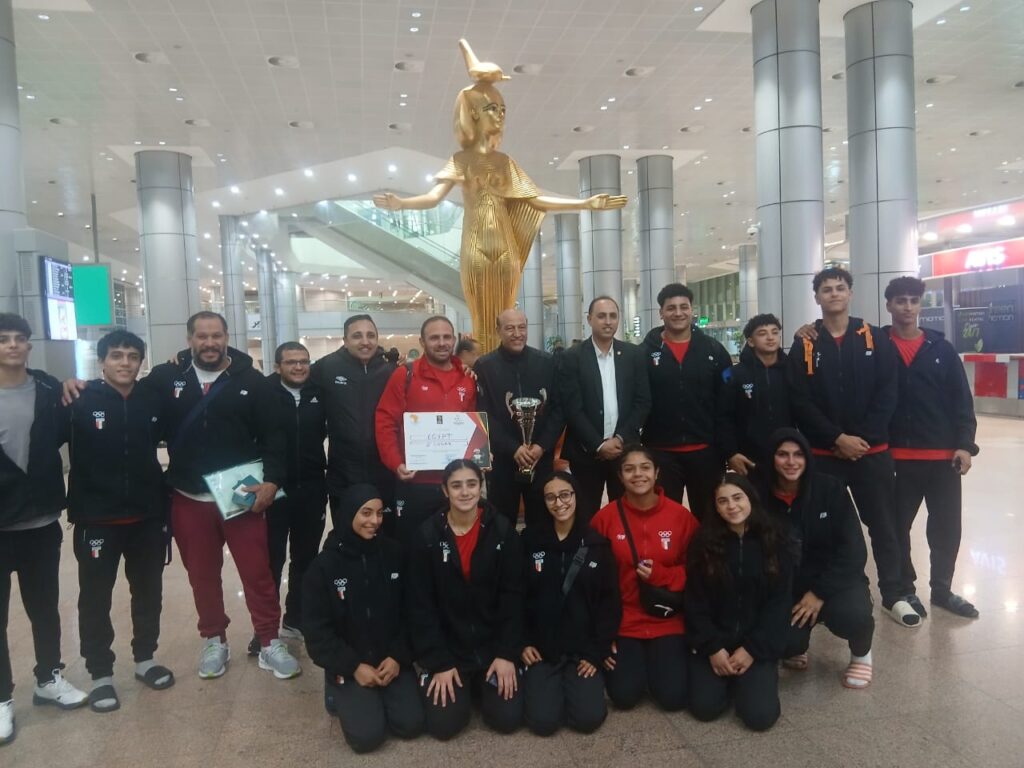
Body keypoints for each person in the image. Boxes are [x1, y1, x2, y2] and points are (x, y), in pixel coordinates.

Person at [67, 312, 301, 679]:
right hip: (188, 496)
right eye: (202, 336)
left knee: (257, 571)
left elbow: (275, 436)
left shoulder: (251, 381)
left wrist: (272, 481)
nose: (210, 343)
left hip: (239, 493)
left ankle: (269, 640)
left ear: (227, 337)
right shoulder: (165, 378)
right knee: (202, 576)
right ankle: (214, 639)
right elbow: (123, 391)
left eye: (216, 335)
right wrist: (78, 385)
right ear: (189, 339)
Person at [373, 39, 625, 351]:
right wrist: (402, 204)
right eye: (492, 108)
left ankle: (504, 363)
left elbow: (535, 200)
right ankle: (484, 366)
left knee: (506, 312)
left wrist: (585, 204)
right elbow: (434, 197)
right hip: (475, 246)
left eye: (503, 109)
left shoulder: (505, 162)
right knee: (481, 317)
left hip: (506, 249)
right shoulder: (462, 160)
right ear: (473, 113)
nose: (500, 114)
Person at [787, 268, 915, 628]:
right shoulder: (806, 343)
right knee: (821, 527)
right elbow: (799, 400)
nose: (834, 293)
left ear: (850, 293)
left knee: (884, 525)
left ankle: (894, 594)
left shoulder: (874, 337)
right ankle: (819, 594)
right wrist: (836, 439)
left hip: (871, 454)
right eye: (826, 289)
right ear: (817, 297)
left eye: (840, 288)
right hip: (824, 456)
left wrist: (862, 439)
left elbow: (888, 391)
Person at [66, 330, 173, 713]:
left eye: (132, 356)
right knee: (95, 597)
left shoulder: (152, 398)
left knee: (148, 592)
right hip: (96, 519)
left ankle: (145, 658)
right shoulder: (79, 400)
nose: (125, 362)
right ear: (102, 361)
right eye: (116, 355)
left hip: (147, 516)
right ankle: (100, 674)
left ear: (141, 362)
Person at [1, 313, 87, 744]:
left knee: (45, 608)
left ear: (29, 345)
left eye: (20, 338)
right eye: (3, 339)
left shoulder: (50, 389)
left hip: (40, 521)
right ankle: (1, 698)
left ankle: (48, 678)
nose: (13, 345)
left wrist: (75, 385)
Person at [407, 460, 525, 739]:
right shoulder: (426, 536)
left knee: (507, 720)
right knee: (444, 727)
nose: (465, 492)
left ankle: (481, 685)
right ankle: (459, 684)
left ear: (480, 486)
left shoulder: (502, 530)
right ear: (445, 491)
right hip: (450, 651)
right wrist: (439, 662)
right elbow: (420, 606)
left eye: (472, 484)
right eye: (456, 485)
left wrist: (506, 654)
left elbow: (514, 596)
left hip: (492, 648)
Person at [302, 484, 424, 753]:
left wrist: (398, 656)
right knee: (366, 738)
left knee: (411, 724)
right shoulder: (324, 567)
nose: (375, 521)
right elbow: (317, 632)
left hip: (390, 658)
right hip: (350, 662)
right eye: (366, 513)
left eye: (379, 513)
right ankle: (336, 687)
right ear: (348, 514)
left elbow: (413, 611)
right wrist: (353, 666)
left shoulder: (394, 554)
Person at [884, 276, 980, 618]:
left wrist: (965, 445)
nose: (907, 307)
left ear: (920, 305)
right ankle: (905, 589)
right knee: (896, 528)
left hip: (943, 459)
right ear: (889, 305)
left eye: (913, 300)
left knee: (946, 528)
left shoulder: (942, 349)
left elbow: (961, 401)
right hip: (895, 458)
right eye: (900, 300)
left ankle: (942, 590)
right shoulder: (877, 346)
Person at [761, 429, 876, 690]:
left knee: (853, 616)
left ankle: (861, 654)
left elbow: (854, 550)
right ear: (772, 458)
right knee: (785, 642)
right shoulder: (760, 494)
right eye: (783, 455)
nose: (791, 462)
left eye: (798, 454)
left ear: (807, 458)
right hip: (789, 584)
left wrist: (819, 593)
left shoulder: (830, 488)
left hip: (836, 580)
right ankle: (798, 644)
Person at [590, 446, 700, 712]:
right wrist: (602, 633)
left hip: (667, 618)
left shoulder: (681, 517)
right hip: (624, 620)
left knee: (673, 698)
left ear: (656, 473)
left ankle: (661, 662)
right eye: (629, 469)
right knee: (624, 697)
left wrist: (663, 575)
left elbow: (698, 571)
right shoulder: (605, 519)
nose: (638, 474)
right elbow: (592, 578)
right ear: (620, 477)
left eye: (645, 468)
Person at [684, 473, 790, 731]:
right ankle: (729, 680)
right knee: (704, 709)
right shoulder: (703, 543)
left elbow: (779, 603)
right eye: (723, 501)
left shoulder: (774, 539)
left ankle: (752, 679)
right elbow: (695, 601)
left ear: (750, 498)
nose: (731, 506)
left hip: (756, 643)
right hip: (715, 642)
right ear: (716, 508)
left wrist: (752, 649)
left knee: (760, 718)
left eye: (737, 498)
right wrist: (713, 647)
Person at [520, 472, 620, 736]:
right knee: (543, 723)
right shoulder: (529, 541)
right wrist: (523, 642)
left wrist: (596, 652)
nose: (559, 503)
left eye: (565, 495)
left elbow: (609, 603)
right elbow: (516, 595)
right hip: (542, 649)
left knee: (588, 720)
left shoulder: (597, 545)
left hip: (582, 651)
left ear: (576, 496)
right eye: (550, 497)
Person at [375, 316, 477, 546]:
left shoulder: (467, 379)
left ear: (454, 340)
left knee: (455, 546)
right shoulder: (405, 375)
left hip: (456, 484)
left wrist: (480, 454)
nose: (441, 343)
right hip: (416, 483)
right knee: (413, 548)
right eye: (434, 338)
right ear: (422, 342)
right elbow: (385, 421)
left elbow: (473, 426)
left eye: (447, 337)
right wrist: (396, 463)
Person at [640, 283, 732, 520]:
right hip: (660, 452)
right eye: (671, 308)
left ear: (692, 310)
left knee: (710, 518)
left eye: (684, 307)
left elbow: (727, 403)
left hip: (706, 453)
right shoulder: (644, 353)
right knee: (664, 520)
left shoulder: (714, 350)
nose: (678, 313)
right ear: (661, 313)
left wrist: (727, 447)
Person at [557, 296, 651, 520]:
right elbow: (572, 408)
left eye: (613, 316)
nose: (608, 322)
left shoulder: (634, 355)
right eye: (601, 316)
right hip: (585, 452)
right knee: (586, 515)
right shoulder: (572, 357)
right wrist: (598, 444)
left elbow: (643, 401)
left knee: (627, 513)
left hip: (624, 450)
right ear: (589, 319)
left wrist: (620, 438)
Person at [474, 309, 564, 529]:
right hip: (503, 461)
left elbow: (559, 409)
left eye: (522, 327)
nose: (517, 334)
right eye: (510, 328)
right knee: (501, 523)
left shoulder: (547, 362)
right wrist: (513, 448)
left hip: (539, 458)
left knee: (542, 521)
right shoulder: (485, 366)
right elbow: (483, 414)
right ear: (498, 331)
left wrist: (541, 446)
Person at [309, 315, 396, 530]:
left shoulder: (390, 371)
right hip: (343, 473)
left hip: (384, 472)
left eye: (370, 335)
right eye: (357, 336)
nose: (365, 341)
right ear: (345, 340)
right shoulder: (325, 368)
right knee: (346, 533)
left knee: (384, 534)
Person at [265, 341, 327, 643]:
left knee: (305, 558)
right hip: (273, 491)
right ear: (278, 366)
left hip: (312, 488)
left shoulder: (320, 392)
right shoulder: (263, 393)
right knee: (271, 560)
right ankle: (265, 628)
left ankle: (295, 620)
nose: (299, 367)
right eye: (291, 362)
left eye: (304, 361)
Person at [719, 314, 792, 481]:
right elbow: (724, 417)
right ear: (751, 341)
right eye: (762, 333)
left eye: (774, 332)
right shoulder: (735, 375)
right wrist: (730, 453)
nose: (770, 337)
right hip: (749, 458)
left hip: (787, 454)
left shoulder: (791, 370)